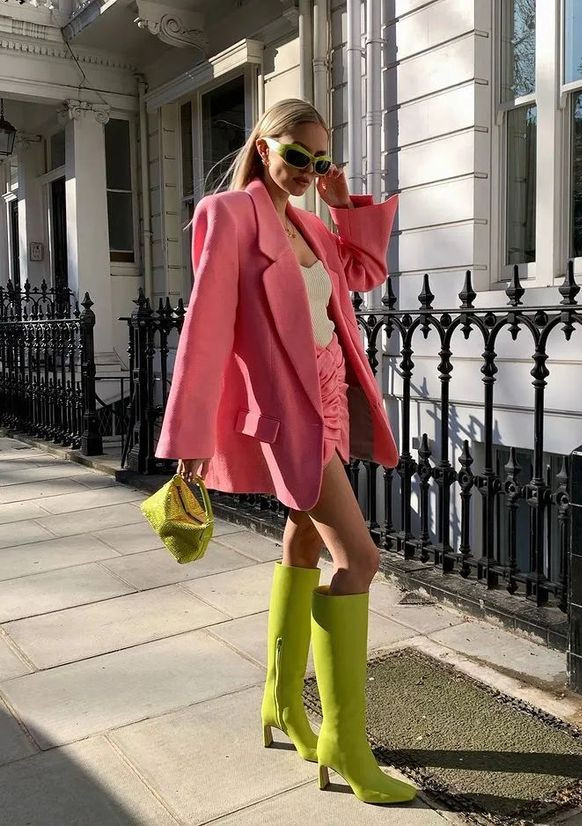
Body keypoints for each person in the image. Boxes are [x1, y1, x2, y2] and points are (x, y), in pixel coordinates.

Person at [154, 98, 417, 805]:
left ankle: (278, 702)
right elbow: (206, 329)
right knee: (359, 559)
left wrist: (343, 202)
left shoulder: (311, 224)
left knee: (303, 539)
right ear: (264, 148)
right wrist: (191, 442)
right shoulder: (228, 215)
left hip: (330, 400)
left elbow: (365, 271)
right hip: (289, 415)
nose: (307, 170)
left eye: (319, 159)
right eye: (297, 156)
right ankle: (344, 742)